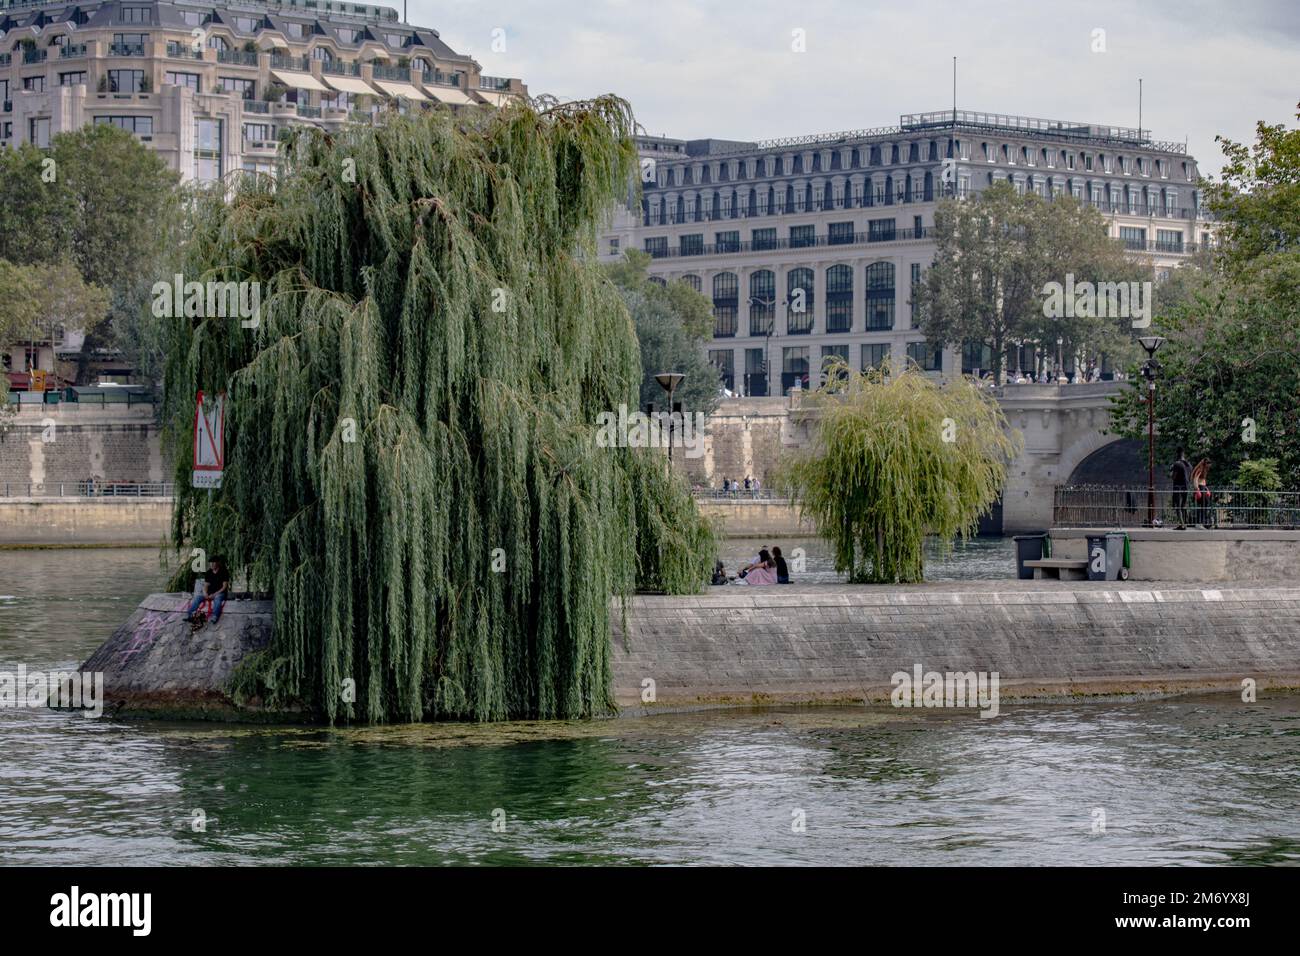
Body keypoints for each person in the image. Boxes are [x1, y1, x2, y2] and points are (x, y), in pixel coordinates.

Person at [185, 555, 230, 626]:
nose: (211, 564)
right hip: (209, 593)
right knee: (197, 597)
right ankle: (190, 615)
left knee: (217, 599)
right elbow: (205, 585)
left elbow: (224, 587)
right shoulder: (209, 572)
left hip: (220, 593)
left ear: (218, 563)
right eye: (210, 563)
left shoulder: (224, 572)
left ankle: (215, 616)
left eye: (213, 562)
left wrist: (214, 594)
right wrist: (205, 593)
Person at [1170, 447, 1193, 529]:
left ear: (1177, 453)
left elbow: (1173, 477)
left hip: (1178, 487)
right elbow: (1190, 477)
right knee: (1184, 505)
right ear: (1184, 454)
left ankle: (1182, 524)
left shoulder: (1177, 464)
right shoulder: (1189, 465)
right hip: (1186, 487)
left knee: (1178, 506)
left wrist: (1171, 471)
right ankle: (1185, 524)